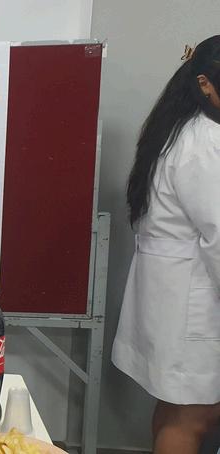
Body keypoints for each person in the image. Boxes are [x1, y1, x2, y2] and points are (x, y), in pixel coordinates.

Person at [112, 36, 220, 454]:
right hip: (192, 305)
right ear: (205, 84)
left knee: (176, 410)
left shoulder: (177, 131)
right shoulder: (207, 141)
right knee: (192, 417)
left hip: (174, 298)